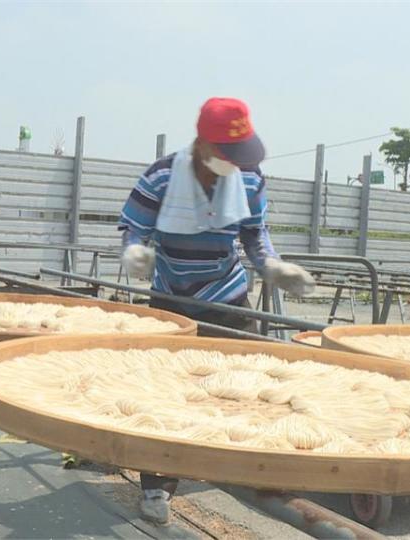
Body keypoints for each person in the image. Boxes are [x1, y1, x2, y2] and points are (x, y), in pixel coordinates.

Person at [117, 97, 315, 524]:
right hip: (174, 298)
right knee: (167, 392)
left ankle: (254, 471)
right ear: (204, 146)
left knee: (251, 388)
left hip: (228, 295)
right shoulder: (163, 176)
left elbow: (255, 235)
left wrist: (272, 266)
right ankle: (156, 484)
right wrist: (134, 251)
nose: (239, 164)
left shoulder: (248, 179)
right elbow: (134, 226)